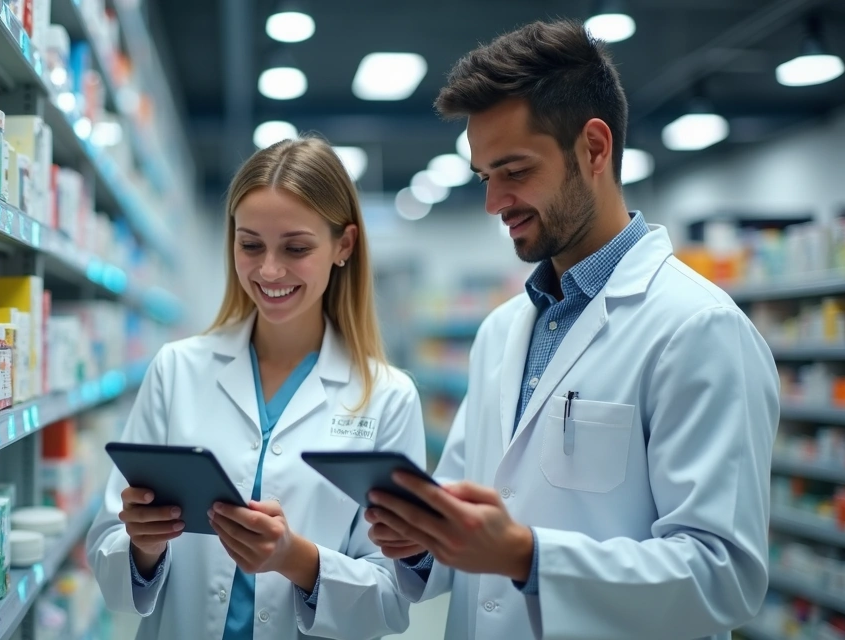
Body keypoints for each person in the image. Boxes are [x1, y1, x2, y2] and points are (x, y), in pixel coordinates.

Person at [364, 19, 780, 640]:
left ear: (593, 148)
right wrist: (422, 537)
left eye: (514, 170)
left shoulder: (699, 329)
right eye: (484, 176)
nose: (493, 202)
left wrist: (528, 556)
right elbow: (472, 501)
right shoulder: (501, 333)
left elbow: (723, 575)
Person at [86, 136, 426, 640]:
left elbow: (394, 599)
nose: (269, 270)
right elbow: (110, 553)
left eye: (295, 248)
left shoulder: (388, 396)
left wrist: (298, 560)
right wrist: (142, 546)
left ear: (344, 245)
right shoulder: (177, 369)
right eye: (250, 245)